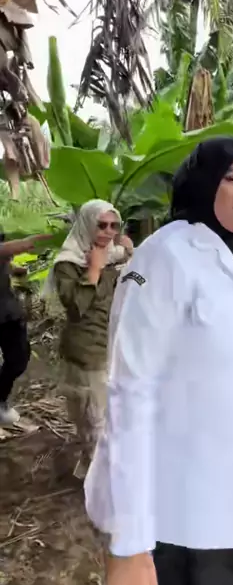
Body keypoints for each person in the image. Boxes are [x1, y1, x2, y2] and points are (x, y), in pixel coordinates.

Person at [85, 136, 233, 585]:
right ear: (204, 184)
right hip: (186, 508)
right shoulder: (164, 257)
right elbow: (129, 394)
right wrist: (131, 544)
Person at [51, 200, 133, 476]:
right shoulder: (69, 263)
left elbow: (138, 283)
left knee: (111, 415)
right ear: (87, 224)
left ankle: (95, 470)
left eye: (114, 226)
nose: (108, 232)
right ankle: (99, 479)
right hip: (86, 352)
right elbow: (75, 307)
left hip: (112, 347)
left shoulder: (113, 257)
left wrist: (132, 255)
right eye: (102, 225)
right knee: (92, 420)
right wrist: (94, 271)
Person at [0, 231, 54, 425]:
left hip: (9, 315)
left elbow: (5, 257)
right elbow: (5, 250)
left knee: (19, 359)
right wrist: (28, 242)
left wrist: (17, 269)